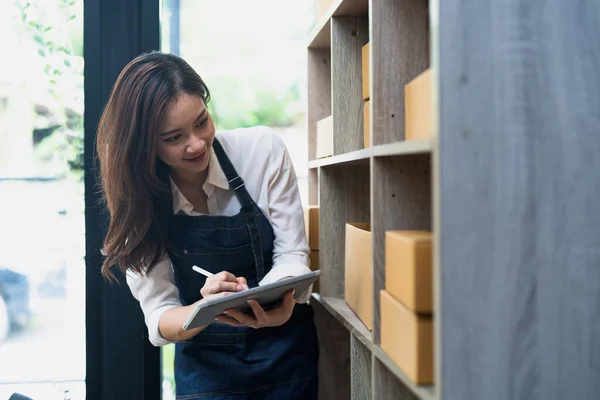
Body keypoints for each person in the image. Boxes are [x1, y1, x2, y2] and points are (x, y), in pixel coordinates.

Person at [96, 51, 319, 399]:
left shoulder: (262, 152)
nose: (197, 144)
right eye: (174, 137)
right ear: (145, 145)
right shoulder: (138, 203)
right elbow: (159, 316)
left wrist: (280, 301)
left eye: (202, 121)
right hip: (207, 374)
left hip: (286, 358)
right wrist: (205, 309)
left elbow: (291, 253)